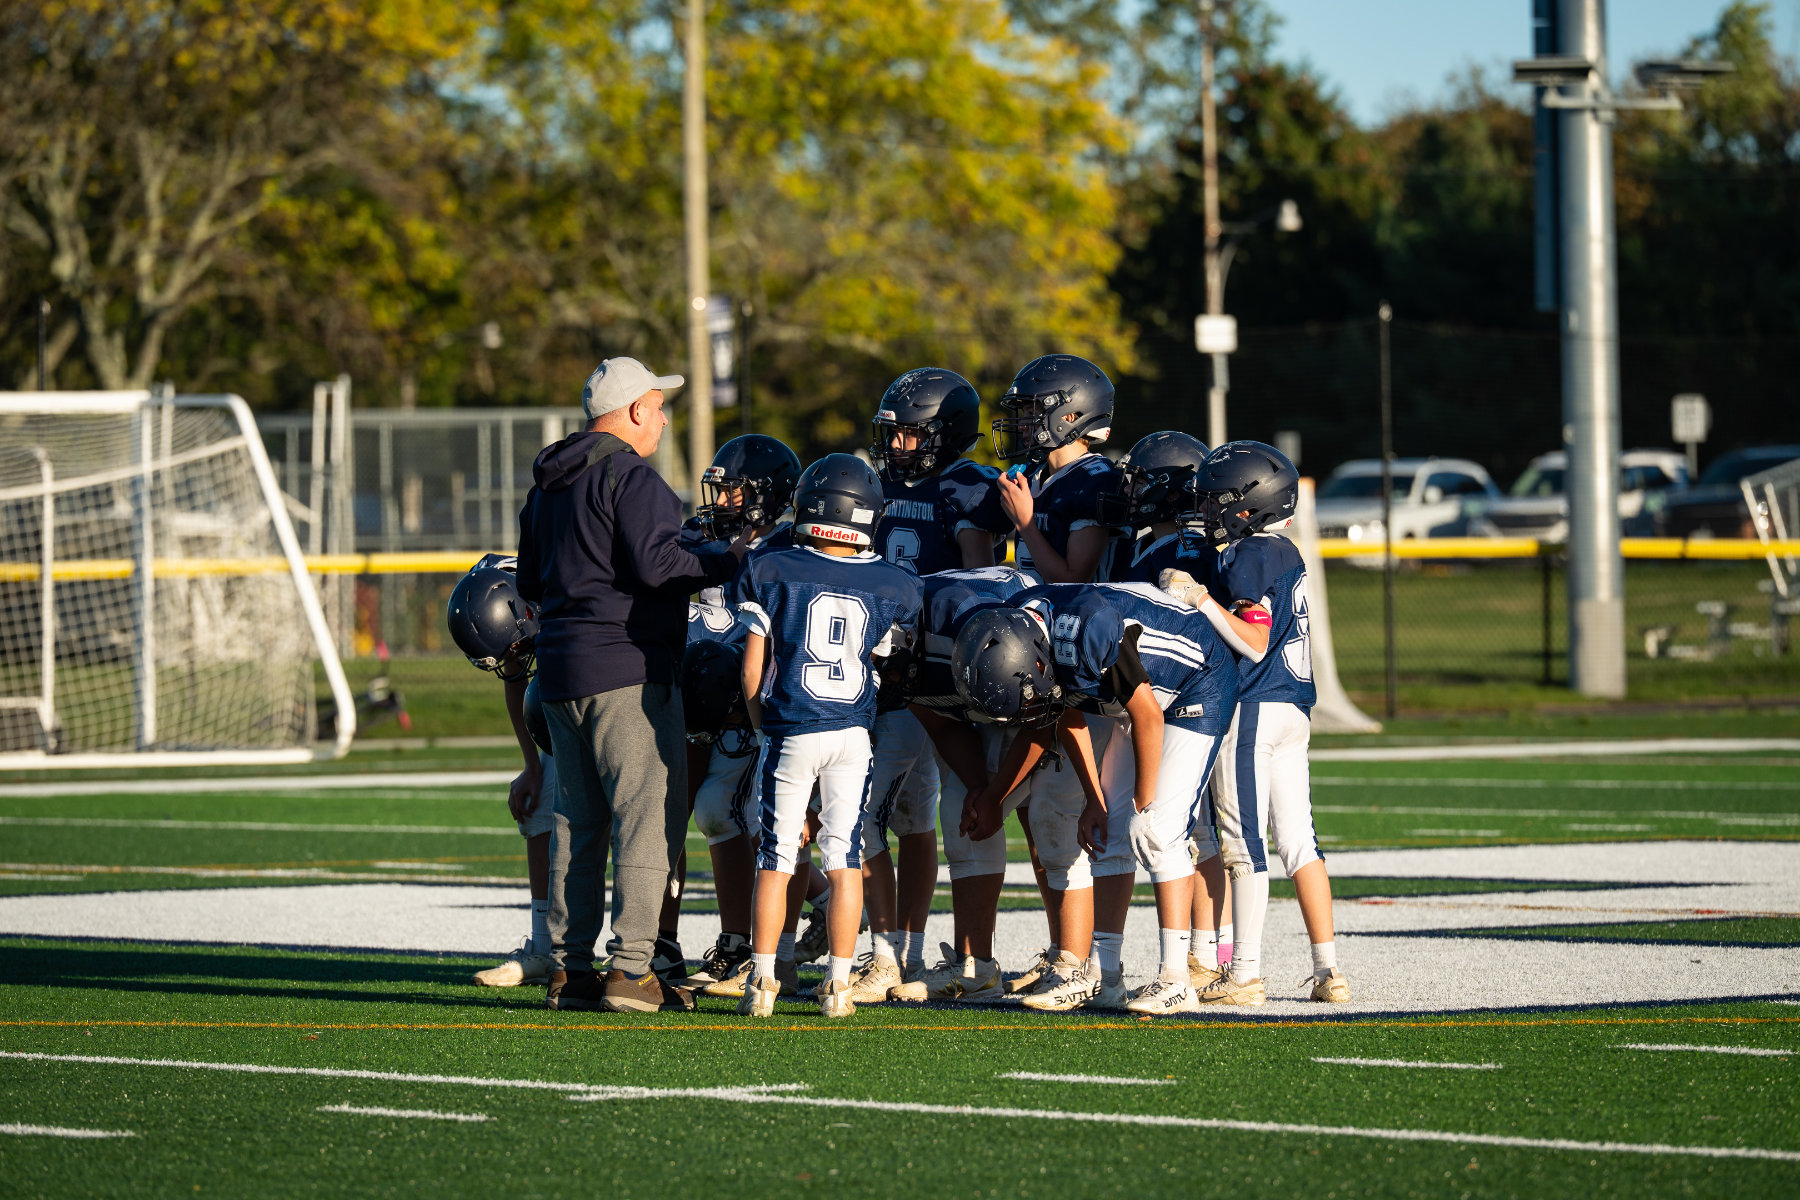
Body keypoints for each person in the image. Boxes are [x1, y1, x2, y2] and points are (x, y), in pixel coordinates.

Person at [515, 356, 745, 1015]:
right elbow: (657, 562)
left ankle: (569, 970)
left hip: (560, 672)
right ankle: (633, 969)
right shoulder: (632, 475)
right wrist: (726, 559)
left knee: (576, 824)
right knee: (647, 821)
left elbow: (530, 582)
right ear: (637, 411)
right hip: (628, 668)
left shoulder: (548, 482)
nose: (665, 418)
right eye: (660, 405)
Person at [732, 454, 923, 1019]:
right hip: (853, 734)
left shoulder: (773, 568)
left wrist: (760, 723)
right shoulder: (892, 582)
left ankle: (764, 978)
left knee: (777, 857)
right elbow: (886, 656)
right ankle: (839, 984)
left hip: (792, 728)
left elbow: (750, 671)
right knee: (844, 858)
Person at [1163, 439, 1351, 1005]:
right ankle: (1328, 970)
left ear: (1248, 505)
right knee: (1301, 844)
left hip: (1255, 707)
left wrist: (1200, 600)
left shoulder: (1249, 555)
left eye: (1218, 499)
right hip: (1294, 708)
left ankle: (1242, 973)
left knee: (1244, 845)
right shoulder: (1285, 551)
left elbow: (1254, 638)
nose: (1208, 509)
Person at [999, 582, 1239, 1014]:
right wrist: (1095, 798)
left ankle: (1176, 979)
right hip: (1138, 698)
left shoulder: (1087, 632)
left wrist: (1144, 803)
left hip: (1196, 685)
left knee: (1157, 832)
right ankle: (1104, 977)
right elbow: (1066, 712)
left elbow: (1147, 714)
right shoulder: (1022, 627)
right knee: (1108, 830)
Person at [854, 368, 1012, 998]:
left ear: (946, 435)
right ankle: (896, 952)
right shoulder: (874, 483)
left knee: (905, 813)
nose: (896, 448)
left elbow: (979, 578)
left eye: (910, 436)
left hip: (941, 665)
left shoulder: (970, 487)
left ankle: (899, 952)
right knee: (906, 814)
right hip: (884, 664)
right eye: (891, 435)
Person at [445, 554, 557, 988]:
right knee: (537, 806)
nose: (514, 658)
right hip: (555, 705)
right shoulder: (503, 604)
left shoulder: (556, 589)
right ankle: (544, 949)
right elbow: (517, 681)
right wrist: (531, 766)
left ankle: (658, 948)